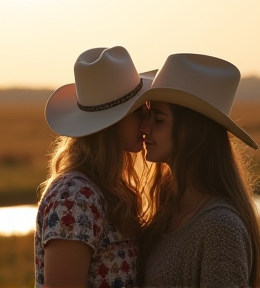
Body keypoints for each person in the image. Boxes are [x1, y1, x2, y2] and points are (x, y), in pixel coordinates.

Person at [134, 53, 260, 287]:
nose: (144, 127)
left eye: (159, 119)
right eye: (147, 115)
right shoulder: (165, 211)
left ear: (190, 131)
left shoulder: (220, 228)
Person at [34, 46, 156, 288]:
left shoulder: (106, 188)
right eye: (138, 113)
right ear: (112, 123)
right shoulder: (75, 197)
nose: (146, 125)